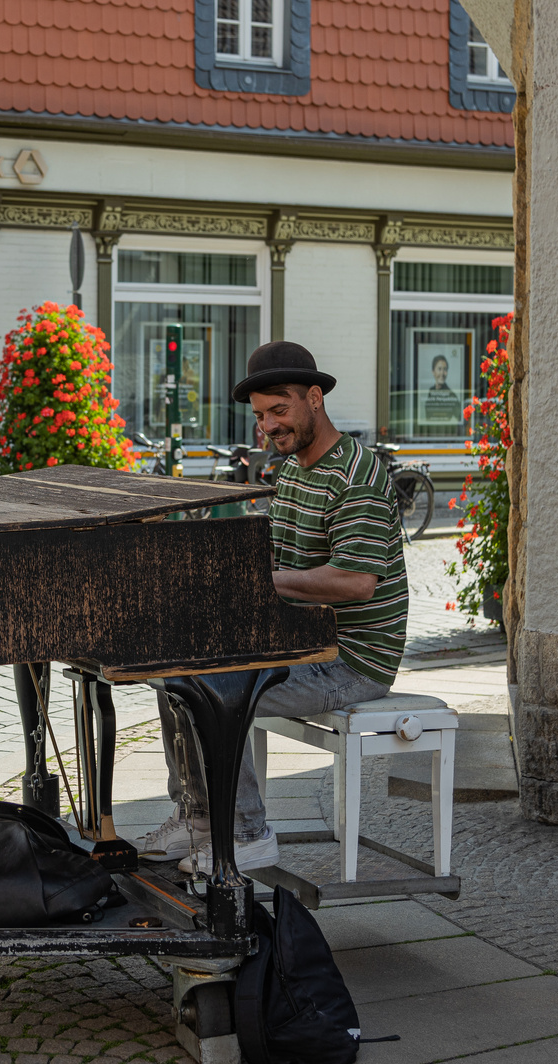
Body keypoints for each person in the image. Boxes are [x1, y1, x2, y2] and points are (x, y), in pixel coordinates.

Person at [139, 340, 409, 873]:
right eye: (261, 416)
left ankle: (246, 833)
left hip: (351, 658)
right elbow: (276, 559)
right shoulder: (291, 471)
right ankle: (196, 816)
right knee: (170, 670)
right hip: (303, 640)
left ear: (315, 397)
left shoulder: (355, 476)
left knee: (216, 688)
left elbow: (356, 583)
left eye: (279, 411)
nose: (269, 426)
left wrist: (254, 581)